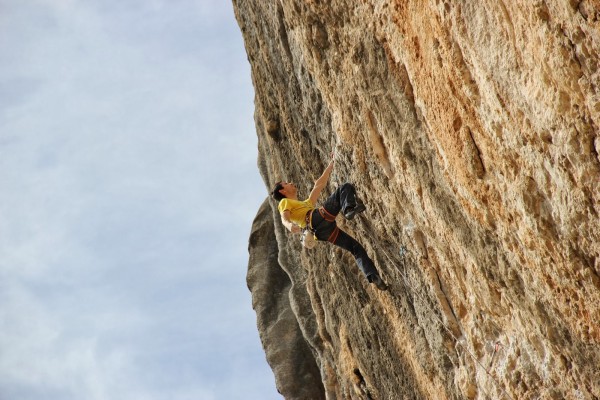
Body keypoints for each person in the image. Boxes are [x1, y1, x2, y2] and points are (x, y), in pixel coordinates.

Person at [271, 153, 388, 290]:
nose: (290, 183)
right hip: (316, 219)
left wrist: (331, 164)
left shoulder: (305, 203)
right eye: (286, 183)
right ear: (283, 191)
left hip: (322, 233)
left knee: (355, 248)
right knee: (344, 188)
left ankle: (373, 276)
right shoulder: (284, 202)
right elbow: (284, 218)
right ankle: (348, 209)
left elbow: (318, 186)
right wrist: (289, 225)